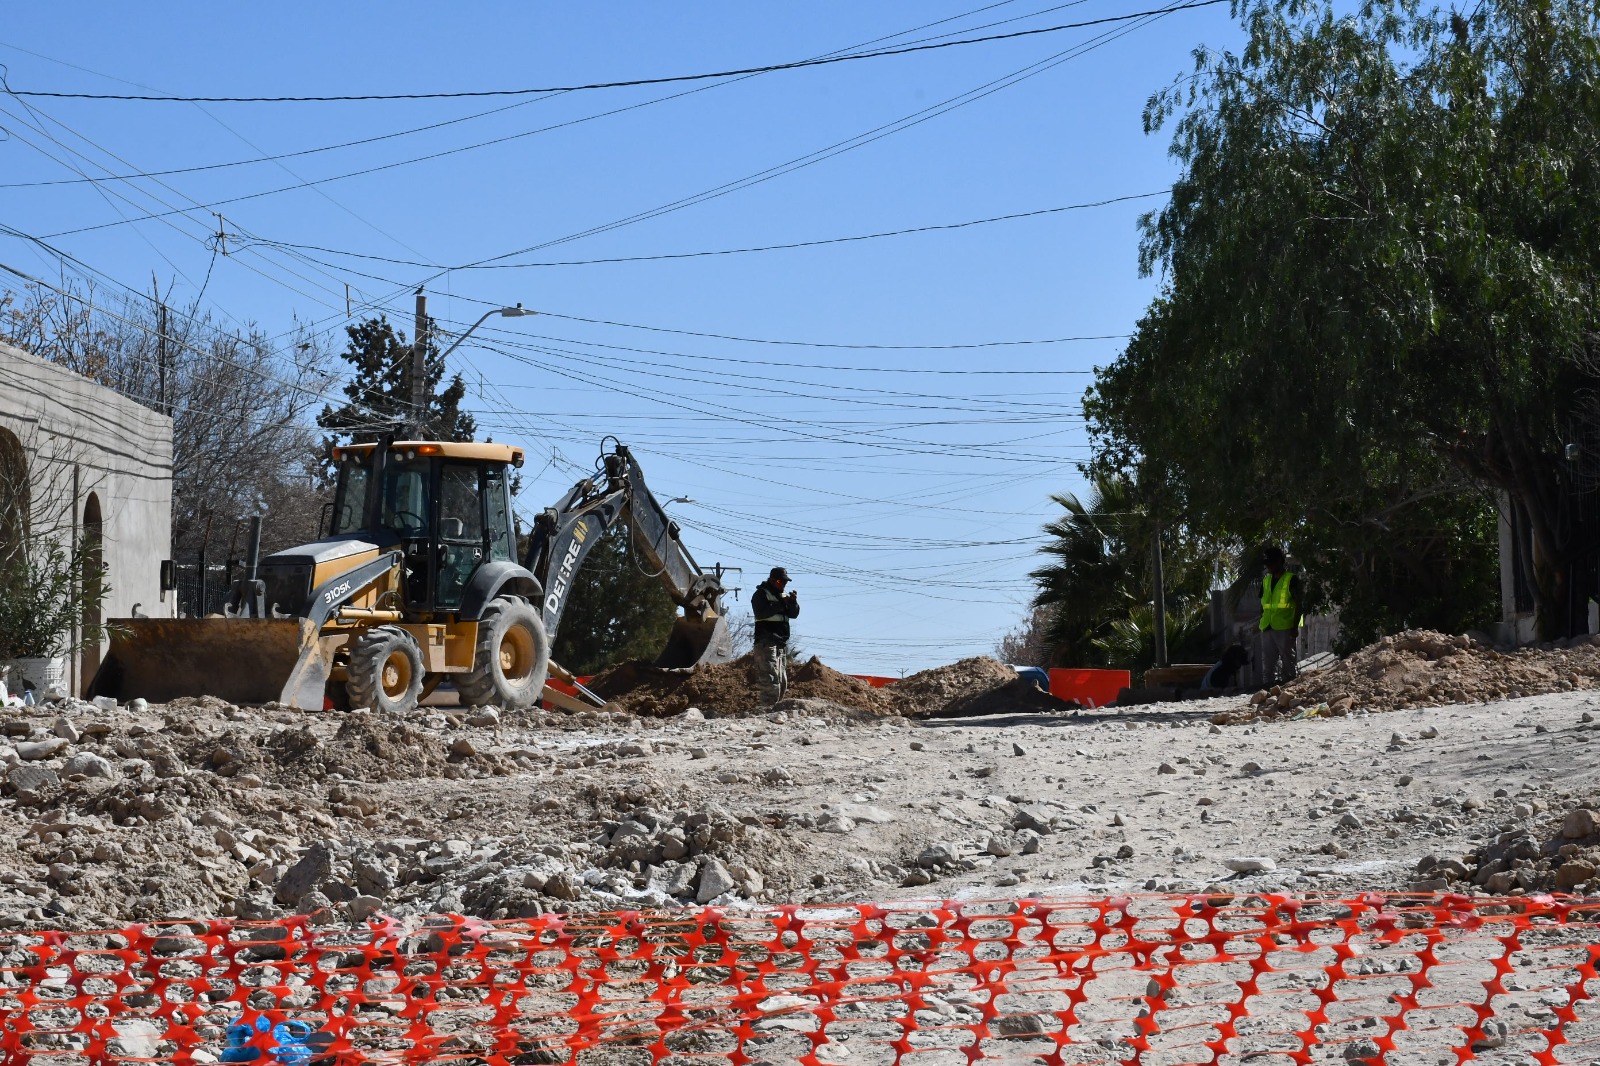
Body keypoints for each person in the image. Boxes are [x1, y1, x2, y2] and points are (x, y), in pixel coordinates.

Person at [751, 566, 800, 703]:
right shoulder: (761, 594)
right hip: (766, 642)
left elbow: (793, 614)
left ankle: (776, 710)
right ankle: (767, 710)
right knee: (770, 682)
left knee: (782, 682)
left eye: (785, 582)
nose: (783, 585)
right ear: (772, 581)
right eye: (780, 582)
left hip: (780, 644)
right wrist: (780, 604)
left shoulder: (782, 596)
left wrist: (793, 603)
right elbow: (761, 613)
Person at [1258, 546, 1303, 684]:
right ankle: (1268, 690)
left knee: (1288, 662)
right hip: (1267, 626)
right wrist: (1261, 621)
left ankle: (1289, 689)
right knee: (1268, 664)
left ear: (1280, 561)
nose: (1268, 566)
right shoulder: (1266, 581)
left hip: (1285, 627)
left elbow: (1299, 604)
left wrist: (1294, 627)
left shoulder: (1291, 579)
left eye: (1271, 563)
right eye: (1267, 563)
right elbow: (1263, 604)